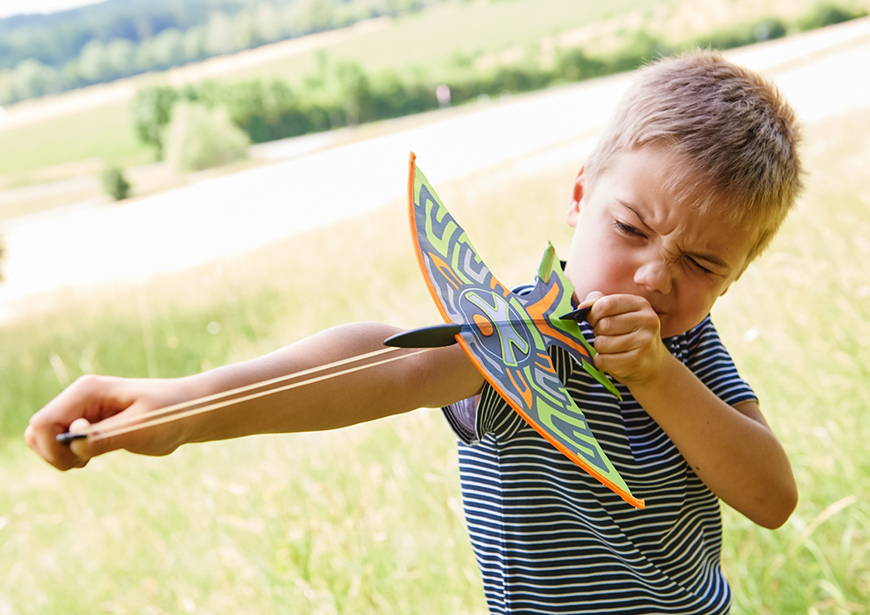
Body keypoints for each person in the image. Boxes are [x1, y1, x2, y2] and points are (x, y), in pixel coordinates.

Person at [26, 50, 801, 614]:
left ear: (734, 276)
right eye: (630, 226)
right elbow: (387, 360)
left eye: (702, 264)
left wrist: (659, 376)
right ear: (580, 195)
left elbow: (770, 496)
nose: (654, 279)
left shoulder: (691, 350)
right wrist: (189, 406)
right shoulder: (514, 334)